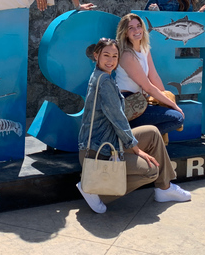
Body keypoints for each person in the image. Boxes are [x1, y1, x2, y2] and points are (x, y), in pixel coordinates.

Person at [76, 38, 191, 214]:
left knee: (152, 132)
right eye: (106, 55)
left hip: (108, 142)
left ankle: (164, 188)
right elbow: (119, 119)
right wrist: (137, 150)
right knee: (151, 170)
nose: (110, 60)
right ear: (96, 55)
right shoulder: (104, 82)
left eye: (115, 56)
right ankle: (95, 191)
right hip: (98, 152)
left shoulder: (101, 76)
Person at [115, 13, 184, 137]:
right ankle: (131, 139)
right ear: (125, 32)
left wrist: (165, 99)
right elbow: (147, 87)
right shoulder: (127, 55)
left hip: (141, 100)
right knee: (177, 118)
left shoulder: (144, 48)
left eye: (138, 26)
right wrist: (173, 105)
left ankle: (144, 139)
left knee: (174, 114)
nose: (136, 30)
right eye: (131, 28)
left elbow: (154, 77)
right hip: (129, 104)